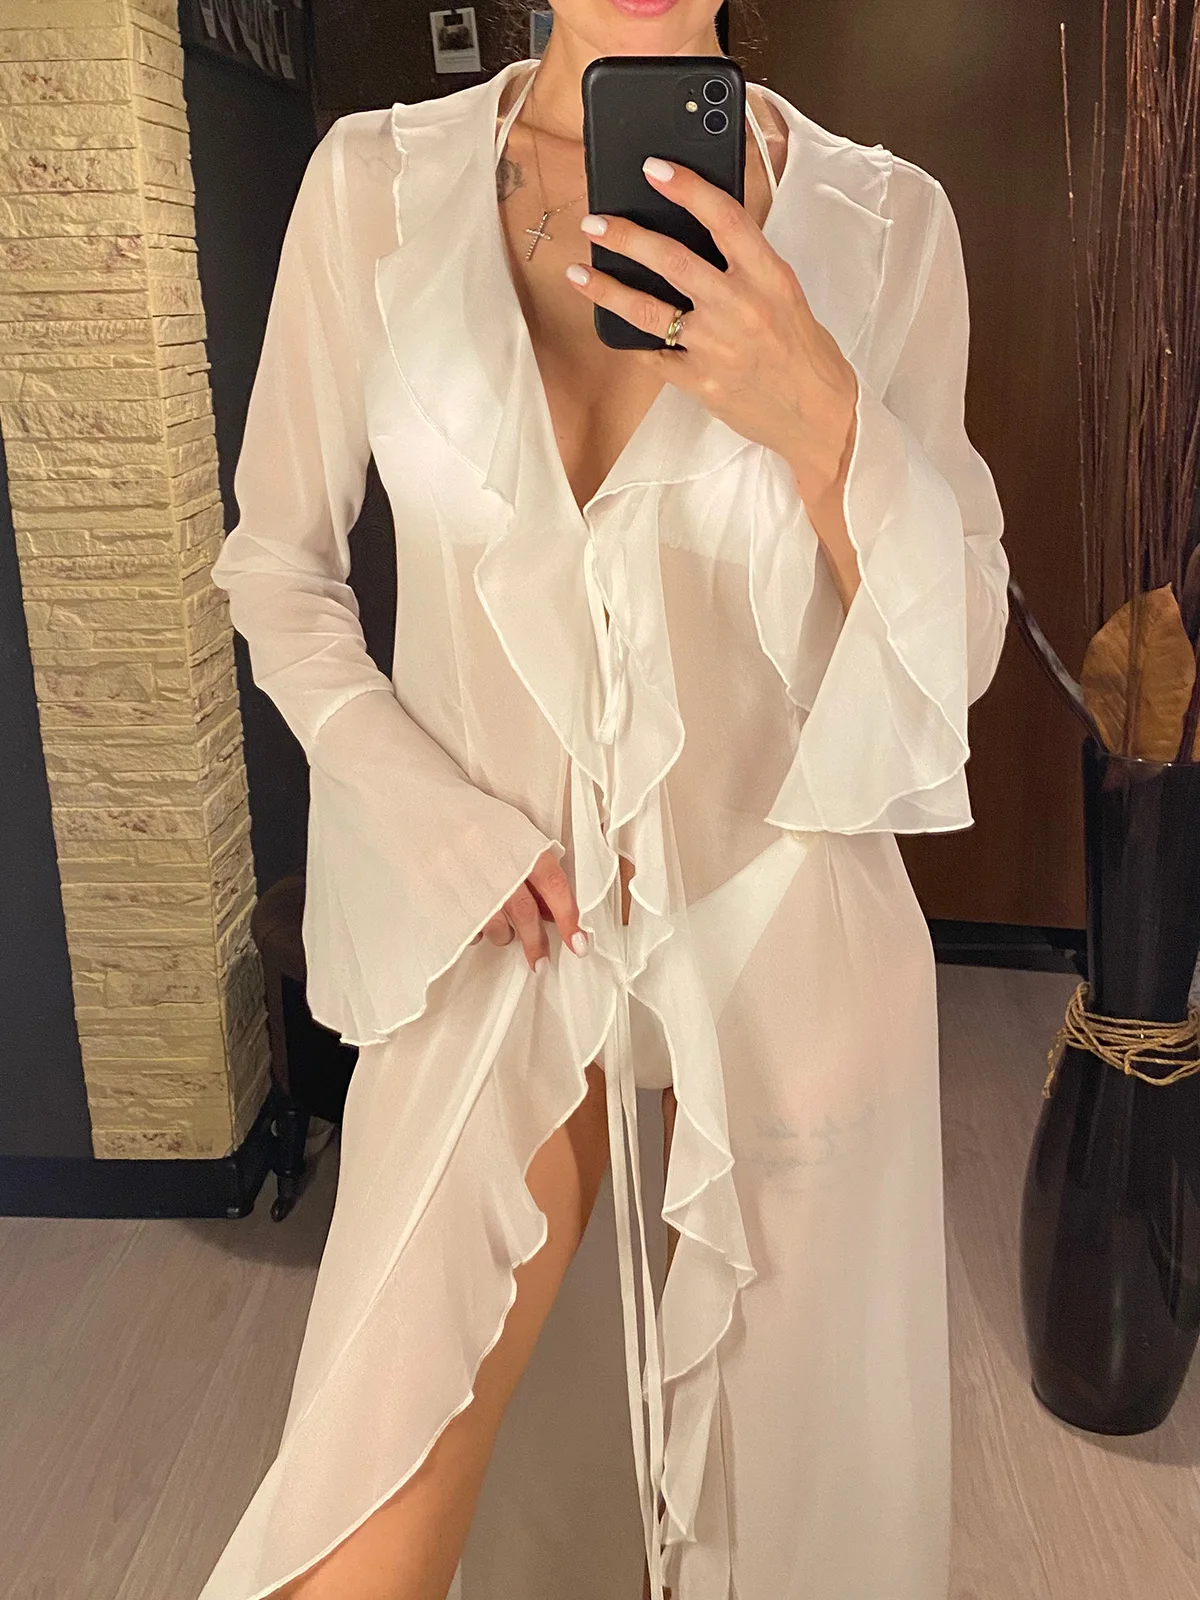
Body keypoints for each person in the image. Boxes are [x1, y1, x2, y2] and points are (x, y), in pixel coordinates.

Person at [197, 2, 1009, 1598]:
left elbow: (957, 645)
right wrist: (434, 823)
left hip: (784, 956)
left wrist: (821, 416)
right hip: (497, 944)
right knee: (358, 1523)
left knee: (791, 1540)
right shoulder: (374, 187)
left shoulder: (884, 222)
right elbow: (277, 569)